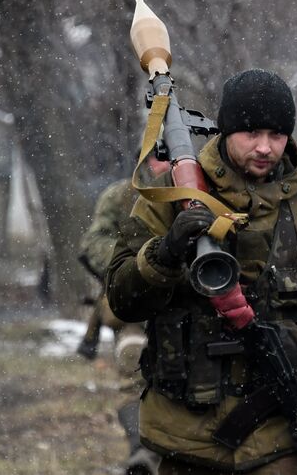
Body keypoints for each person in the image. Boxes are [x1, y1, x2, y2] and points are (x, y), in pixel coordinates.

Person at [106, 69, 297, 474]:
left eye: (277, 135)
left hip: (281, 441)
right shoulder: (173, 196)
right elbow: (122, 298)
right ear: (225, 130)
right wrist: (166, 252)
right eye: (251, 133)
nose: (265, 147)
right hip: (185, 441)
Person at [77, 153, 170, 475]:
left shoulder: (199, 193)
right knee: (134, 367)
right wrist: (133, 265)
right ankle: (142, 453)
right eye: (160, 157)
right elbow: (93, 242)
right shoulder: (123, 196)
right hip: (134, 308)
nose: (166, 164)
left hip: (186, 306)